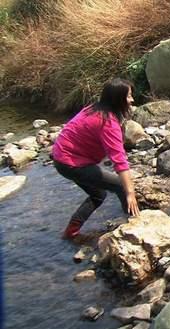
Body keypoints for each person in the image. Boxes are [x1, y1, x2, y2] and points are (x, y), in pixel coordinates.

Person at [52, 78, 141, 239]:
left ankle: (71, 232)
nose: (132, 100)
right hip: (71, 162)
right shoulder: (107, 122)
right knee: (121, 186)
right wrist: (130, 193)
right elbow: (119, 160)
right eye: (128, 96)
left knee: (99, 194)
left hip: (61, 156)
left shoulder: (94, 107)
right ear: (117, 99)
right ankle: (134, 224)